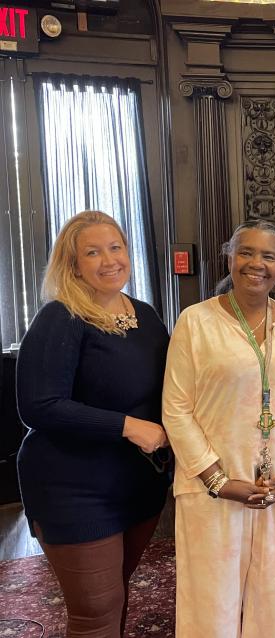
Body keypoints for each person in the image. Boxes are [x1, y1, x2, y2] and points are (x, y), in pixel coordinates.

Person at [162, 220, 275, 638]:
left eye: (268, 256)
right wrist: (217, 480)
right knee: (210, 604)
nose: (257, 264)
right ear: (230, 259)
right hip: (213, 492)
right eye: (246, 253)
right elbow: (176, 410)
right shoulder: (195, 323)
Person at [16, 210, 171, 637]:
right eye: (92, 252)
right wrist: (128, 426)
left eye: (115, 247)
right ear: (73, 264)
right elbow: (38, 405)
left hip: (138, 487)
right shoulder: (60, 318)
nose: (109, 260)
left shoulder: (145, 315)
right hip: (75, 489)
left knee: (114, 597)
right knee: (95, 611)